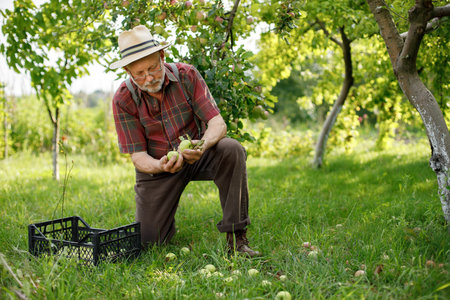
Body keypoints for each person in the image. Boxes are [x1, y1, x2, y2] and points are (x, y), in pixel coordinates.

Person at [110, 25, 260, 257]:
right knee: (150, 242)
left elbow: (217, 124)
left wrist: (202, 145)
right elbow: (138, 156)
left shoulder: (187, 76)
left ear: (162, 56)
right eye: (139, 73)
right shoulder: (123, 99)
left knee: (232, 149)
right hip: (158, 166)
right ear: (128, 71)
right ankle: (162, 225)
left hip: (198, 155)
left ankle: (237, 239)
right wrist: (160, 165)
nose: (148, 78)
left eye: (152, 68)